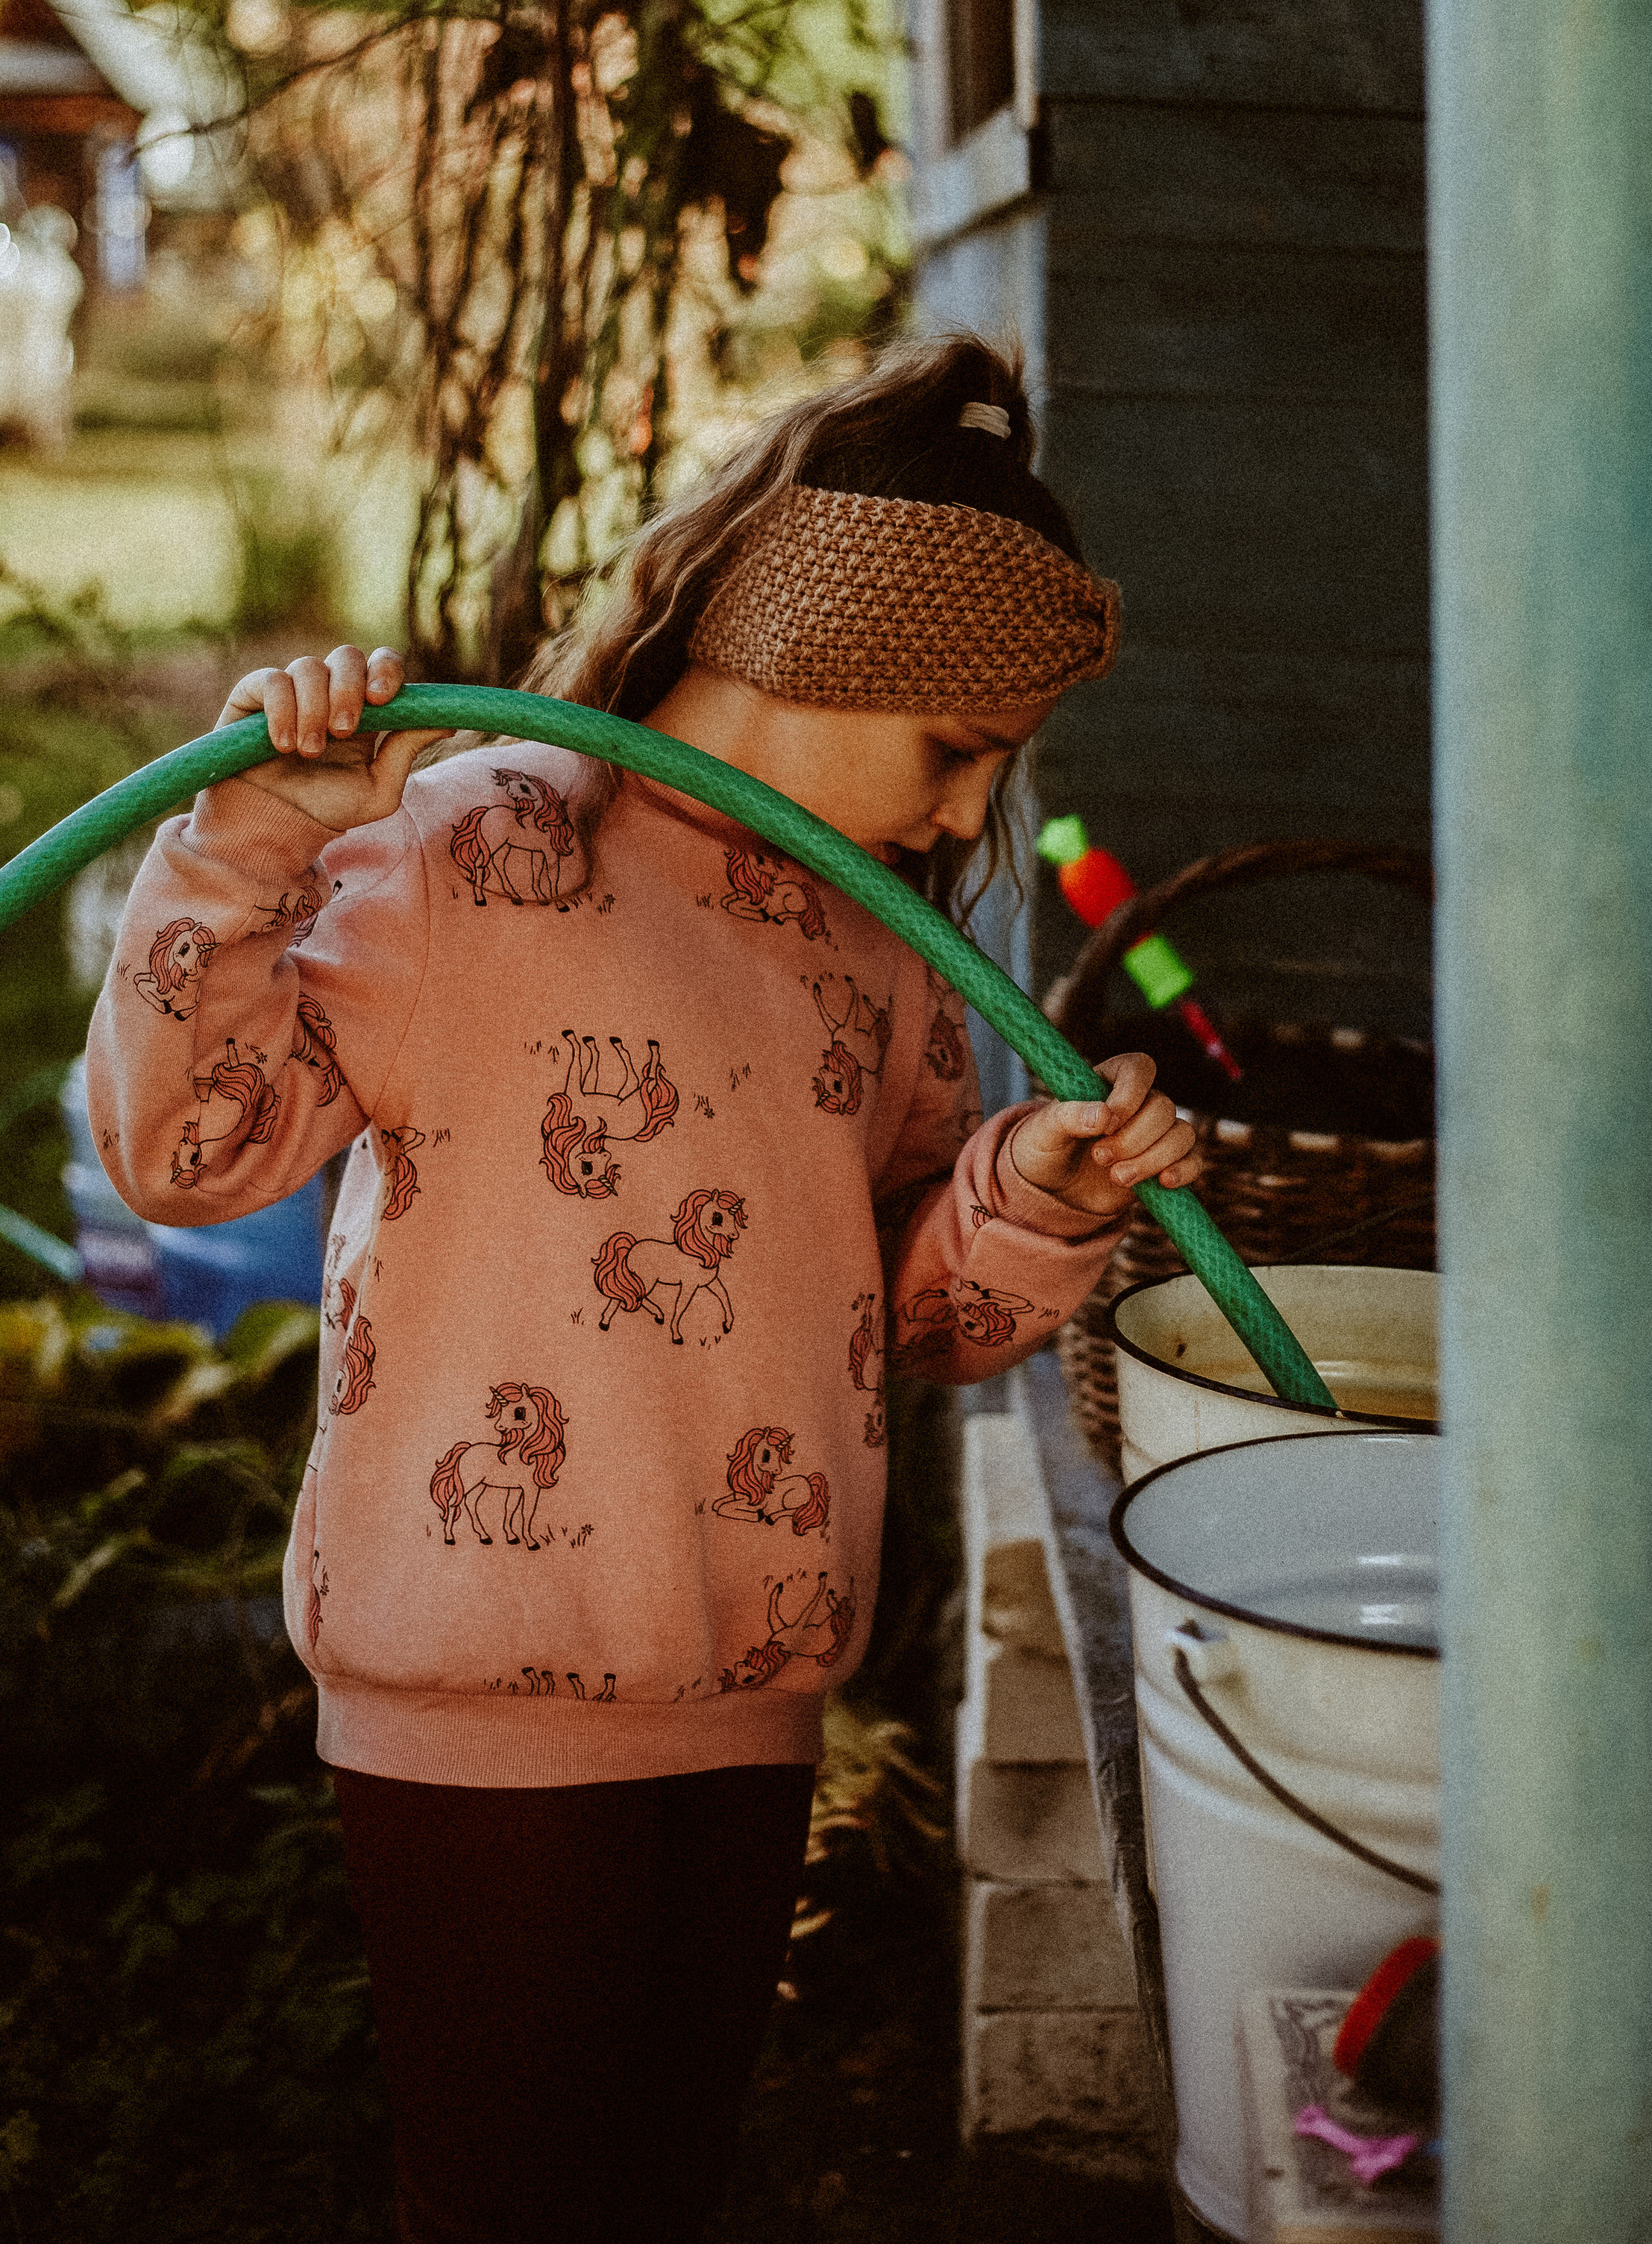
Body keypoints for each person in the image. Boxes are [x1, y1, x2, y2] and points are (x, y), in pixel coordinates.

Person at [87, 333, 1196, 2244]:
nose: (964, 819)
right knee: (511, 2204)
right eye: (954, 751)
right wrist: (261, 831)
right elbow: (186, 1151)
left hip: (751, 1692)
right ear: (821, 651)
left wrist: (1030, 1196)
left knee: (658, 2191)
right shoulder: (480, 848)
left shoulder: (881, 946)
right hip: (476, 1699)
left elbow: (904, 1323)